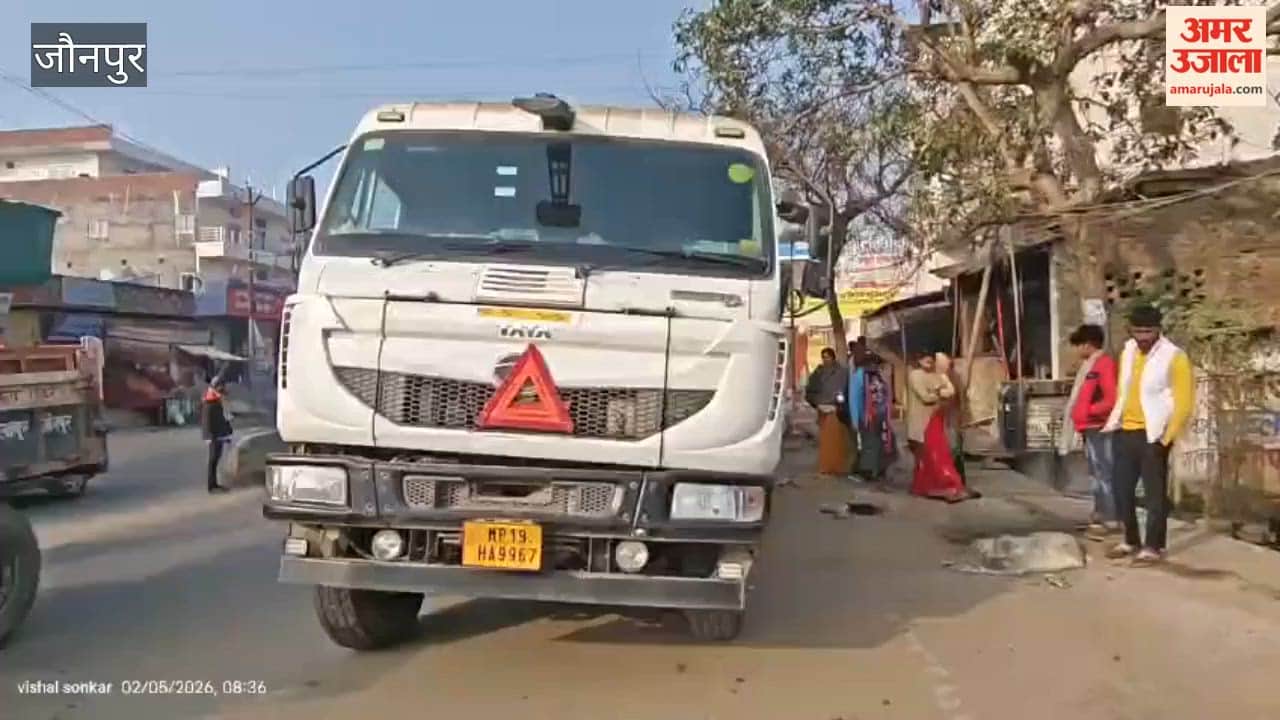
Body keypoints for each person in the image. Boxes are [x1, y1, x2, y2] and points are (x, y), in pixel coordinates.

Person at [1102, 305, 1194, 566]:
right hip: (1125, 431)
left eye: (1148, 331)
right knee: (1121, 490)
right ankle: (1130, 540)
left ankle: (1153, 546)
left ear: (1158, 330)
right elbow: (1124, 390)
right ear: (1130, 330)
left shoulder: (1174, 357)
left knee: (1154, 495)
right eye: (1138, 331)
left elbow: (1184, 402)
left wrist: (1167, 438)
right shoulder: (1128, 350)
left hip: (1154, 434)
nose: (1143, 337)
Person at [1059, 324, 1118, 539]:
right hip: (1089, 427)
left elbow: (1111, 398)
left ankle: (1110, 517)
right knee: (1096, 474)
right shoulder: (1089, 366)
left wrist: (1088, 411)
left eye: (1079, 345)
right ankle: (1101, 514)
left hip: (1099, 427)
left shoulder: (1103, 364)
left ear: (1088, 344)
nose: (1077, 351)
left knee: (1104, 474)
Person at [907, 351, 972, 502]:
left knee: (938, 454)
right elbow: (925, 397)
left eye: (931, 358)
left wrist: (937, 390)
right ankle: (943, 485)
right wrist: (939, 392)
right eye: (925, 358)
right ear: (919, 360)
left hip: (939, 419)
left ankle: (941, 485)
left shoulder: (939, 375)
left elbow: (951, 391)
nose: (928, 361)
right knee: (932, 455)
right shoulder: (915, 375)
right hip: (923, 421)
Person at [850, 352, 897, 482]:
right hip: (866, 417)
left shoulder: (878, 375)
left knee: (884, 442)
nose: (875, 366)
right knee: (870, 444)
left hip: (882, 416)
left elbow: (886, 394)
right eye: (873, 363)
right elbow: (854, 399)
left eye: (876, 364)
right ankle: (867, 471)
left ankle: (880, 469)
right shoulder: (859, 376)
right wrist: (855, 420)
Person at [806, 347, 850, 476]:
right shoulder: (818, 373)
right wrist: (817, 403)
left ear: (833, 357)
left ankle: (837, 467)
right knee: (825, 442)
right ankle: (826, 467)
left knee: (837, 440)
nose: (826, 360)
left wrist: (841, 404)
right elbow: (810, 391)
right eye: (823, 357)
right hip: (822, 409)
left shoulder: (842, 372)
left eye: (828, 357)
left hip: (836, 410)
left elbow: (845, 390)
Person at [201, 375, 234, 493]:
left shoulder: (216, 398)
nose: (223, 388)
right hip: (214, 435)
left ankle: (214, 484)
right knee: (213, 460)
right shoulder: (210, 399)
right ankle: (211, 486)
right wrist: (208, 436)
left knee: (216, 460)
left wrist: (227, 432)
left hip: (218, 434)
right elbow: (207, 420)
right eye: (222, 386)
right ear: (217, 386)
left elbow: (222, 418)